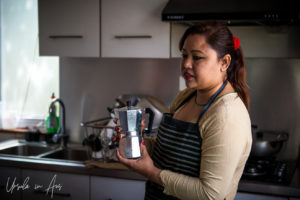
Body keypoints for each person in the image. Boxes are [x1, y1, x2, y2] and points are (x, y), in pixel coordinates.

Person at [116, 21, 252, 200]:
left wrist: (152, 173)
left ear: (224, 62)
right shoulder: (186, 97)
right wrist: (136, 141)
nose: (186, 64)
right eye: (184, 55)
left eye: (197, 57)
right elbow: (170, 152)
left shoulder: (226, 115)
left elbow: (210, 194)